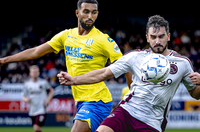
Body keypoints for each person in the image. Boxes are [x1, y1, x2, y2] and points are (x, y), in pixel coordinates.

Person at [0, 0, 132, 132]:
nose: (90, 16)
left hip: (98, 101)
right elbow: (36, 52)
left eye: (94, 12)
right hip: (81, 101)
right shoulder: (66, 36)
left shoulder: (103, 40)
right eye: (86, 11)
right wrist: (4, 60)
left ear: (97, 14)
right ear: (77, 13)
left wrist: (132, 94)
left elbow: (126, 66)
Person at [57, 15, 200, 132]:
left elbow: (195, 94)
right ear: (147, 38)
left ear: (168, 37)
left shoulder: (182, 63)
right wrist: (74, 80)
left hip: (153, 122)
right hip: (126, 111)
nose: (157, 41)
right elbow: (104, 73)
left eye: (161, 36)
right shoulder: (135, 57)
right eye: (153, 37)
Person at [22, 65, 54, 132]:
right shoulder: (27, 84)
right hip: (32, 110)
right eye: (33, 72)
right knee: (36, 129)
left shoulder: (43, 83)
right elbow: (23, 96)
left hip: (41, 109)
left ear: (39, 73)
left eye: (36, 72)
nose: (35, 73)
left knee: (36, 127)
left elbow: (52, 91)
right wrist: (26, 100)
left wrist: (48, 100)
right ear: (30, 73)